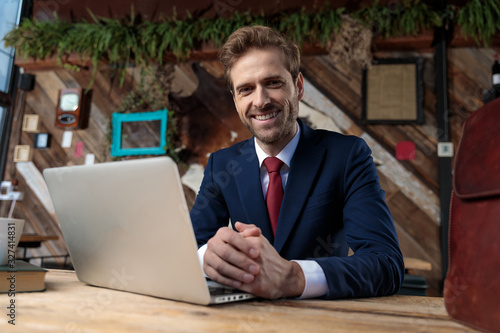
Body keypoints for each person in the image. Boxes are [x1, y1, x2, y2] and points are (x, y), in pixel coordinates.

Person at [190, 25, 404, 300]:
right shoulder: (221, 164)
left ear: (298, 86)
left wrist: (293, 277)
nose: (261, 100)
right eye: (246, 89)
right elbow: (191, 248)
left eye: (273, 83)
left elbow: (386, 264)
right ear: (235, 101)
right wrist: (209, 255)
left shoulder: (347, 155)